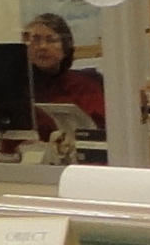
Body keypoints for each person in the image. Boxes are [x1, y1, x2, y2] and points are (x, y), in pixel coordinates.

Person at [19, 12, 105, 148]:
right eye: (35, 39)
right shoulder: (20, 88)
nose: (42, 47)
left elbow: (101, 135)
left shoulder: (86, 85)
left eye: (51, 40)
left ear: (65, 46)